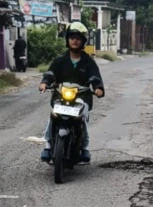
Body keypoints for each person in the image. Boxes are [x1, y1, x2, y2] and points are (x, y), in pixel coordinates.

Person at [38, 22, 105, 163]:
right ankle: (48, 146)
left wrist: (98, 88)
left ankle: (85, 147)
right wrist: (44, 83)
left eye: (78, 38)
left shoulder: (88, 61)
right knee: (53, 116)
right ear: (68, 40)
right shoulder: (60, 60)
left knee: (82, 118)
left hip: (82, 97)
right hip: (60, 96)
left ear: (82, 42)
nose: (75, 40)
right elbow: (50, 73)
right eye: (72, 37)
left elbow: (95, 76)